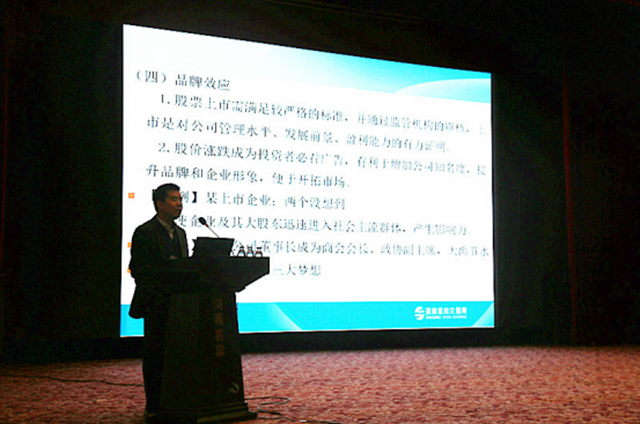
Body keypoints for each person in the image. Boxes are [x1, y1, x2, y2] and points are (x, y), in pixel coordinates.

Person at [128, 183, 188, 421]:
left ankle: (178, 402)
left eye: (180, 199)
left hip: (180, 304)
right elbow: (138, 269)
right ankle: (153, 405)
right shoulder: (144, 232)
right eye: (174, 199)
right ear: (159, 204)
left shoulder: (181, 233)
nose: (179, 204)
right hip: (156, 303)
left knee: (179, 355)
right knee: (155, 355)